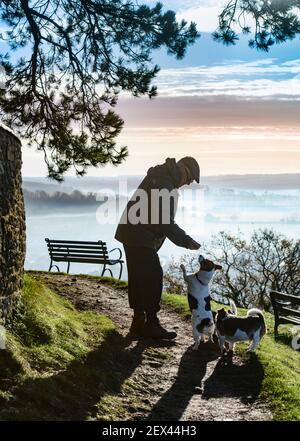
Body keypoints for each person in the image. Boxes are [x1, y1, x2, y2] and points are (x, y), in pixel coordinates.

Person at [115, 157, 201, 339]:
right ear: (184, 170)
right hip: (140, 234)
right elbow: (164, 220)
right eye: (190, 179)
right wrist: (186, 240)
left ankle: (138, 321)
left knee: (138, 277)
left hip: (130, 231)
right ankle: (151, 324)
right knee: (154, 276)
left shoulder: (162, 176)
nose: (187, 183)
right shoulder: (165, 183)